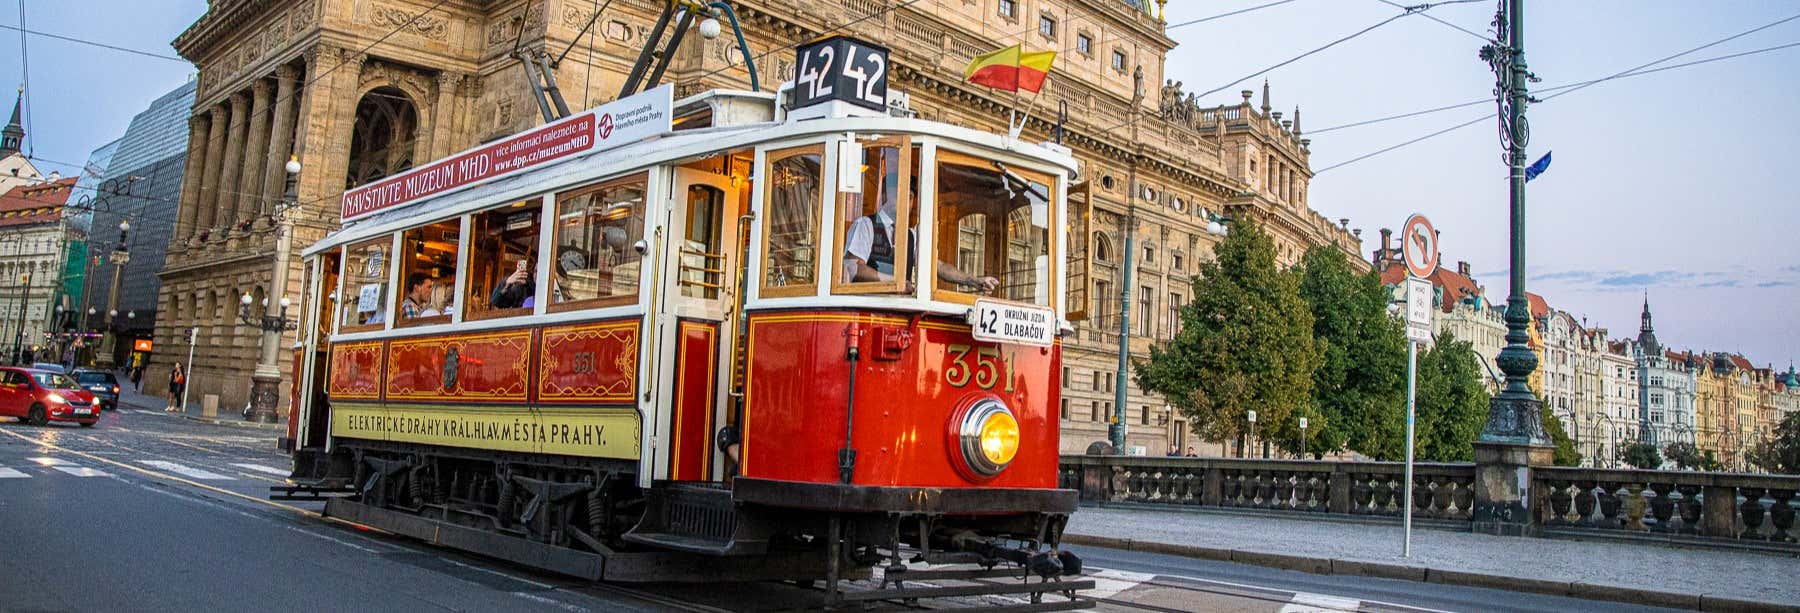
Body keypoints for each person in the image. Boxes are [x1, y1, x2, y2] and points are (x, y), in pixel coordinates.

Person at [841, 192, 999, 292]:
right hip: (867, 312)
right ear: (885, 197)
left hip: (900, 313)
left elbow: (938, 266)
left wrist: (974, 281)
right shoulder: (866, 225)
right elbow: (854, 267)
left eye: (909, 197)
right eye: (899, 194)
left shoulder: (911, 235)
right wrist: (894, 282)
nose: (906, 202)